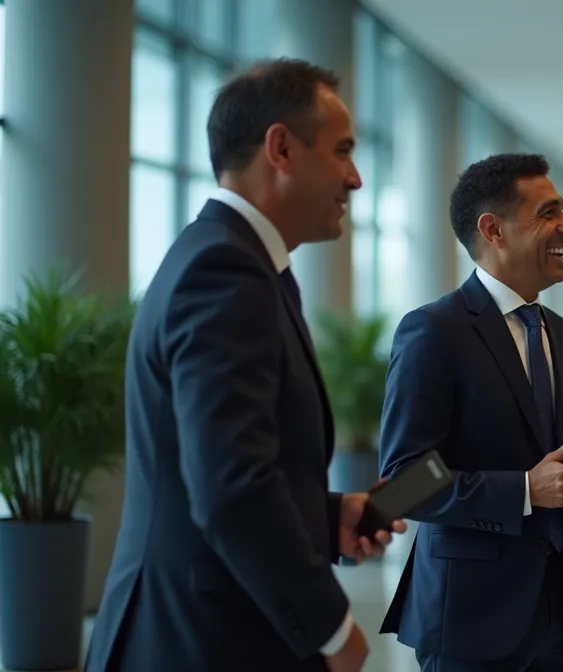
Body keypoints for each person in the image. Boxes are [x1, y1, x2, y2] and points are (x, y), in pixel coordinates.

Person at [84, 58, 404, 672]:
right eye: (341, 151)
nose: (356, 178)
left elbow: (226, 463)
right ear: (280, 148)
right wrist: (331, 628)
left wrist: (328, 515)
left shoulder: (234, 261)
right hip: (200, 640)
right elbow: (232, 488)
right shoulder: (225, 273)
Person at [377, 153, 563, 672]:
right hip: (468, 617)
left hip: (556, 609)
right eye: (549, 213)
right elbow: (403, 482)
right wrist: (526, 489)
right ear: (493, 230)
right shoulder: (434, 331)